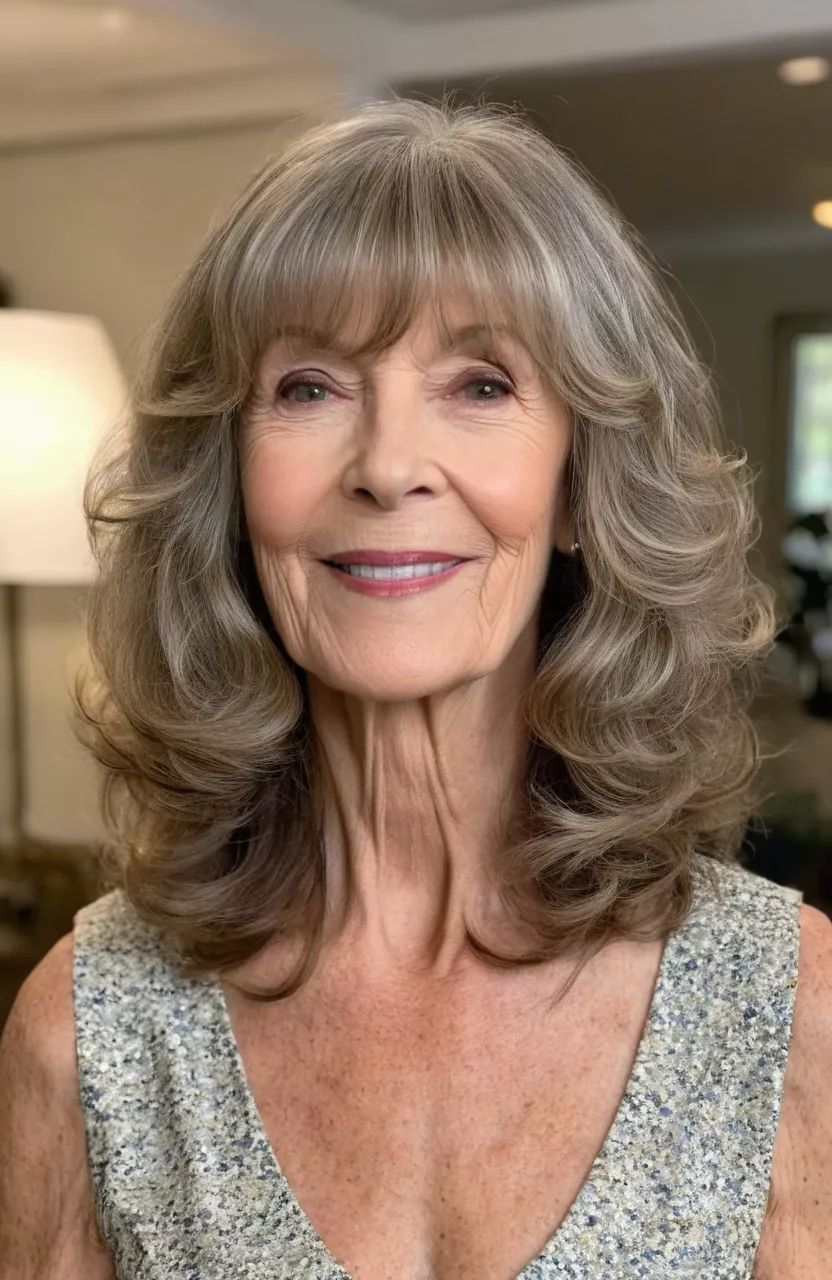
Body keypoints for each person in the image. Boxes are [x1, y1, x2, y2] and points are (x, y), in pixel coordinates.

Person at [0, 96, 830, 1280]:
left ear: (585, 479)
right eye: (307, 388)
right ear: (225, 479)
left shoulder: (789, 1014)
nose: (388, 466)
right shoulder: (87, 1029)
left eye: (481, 383)